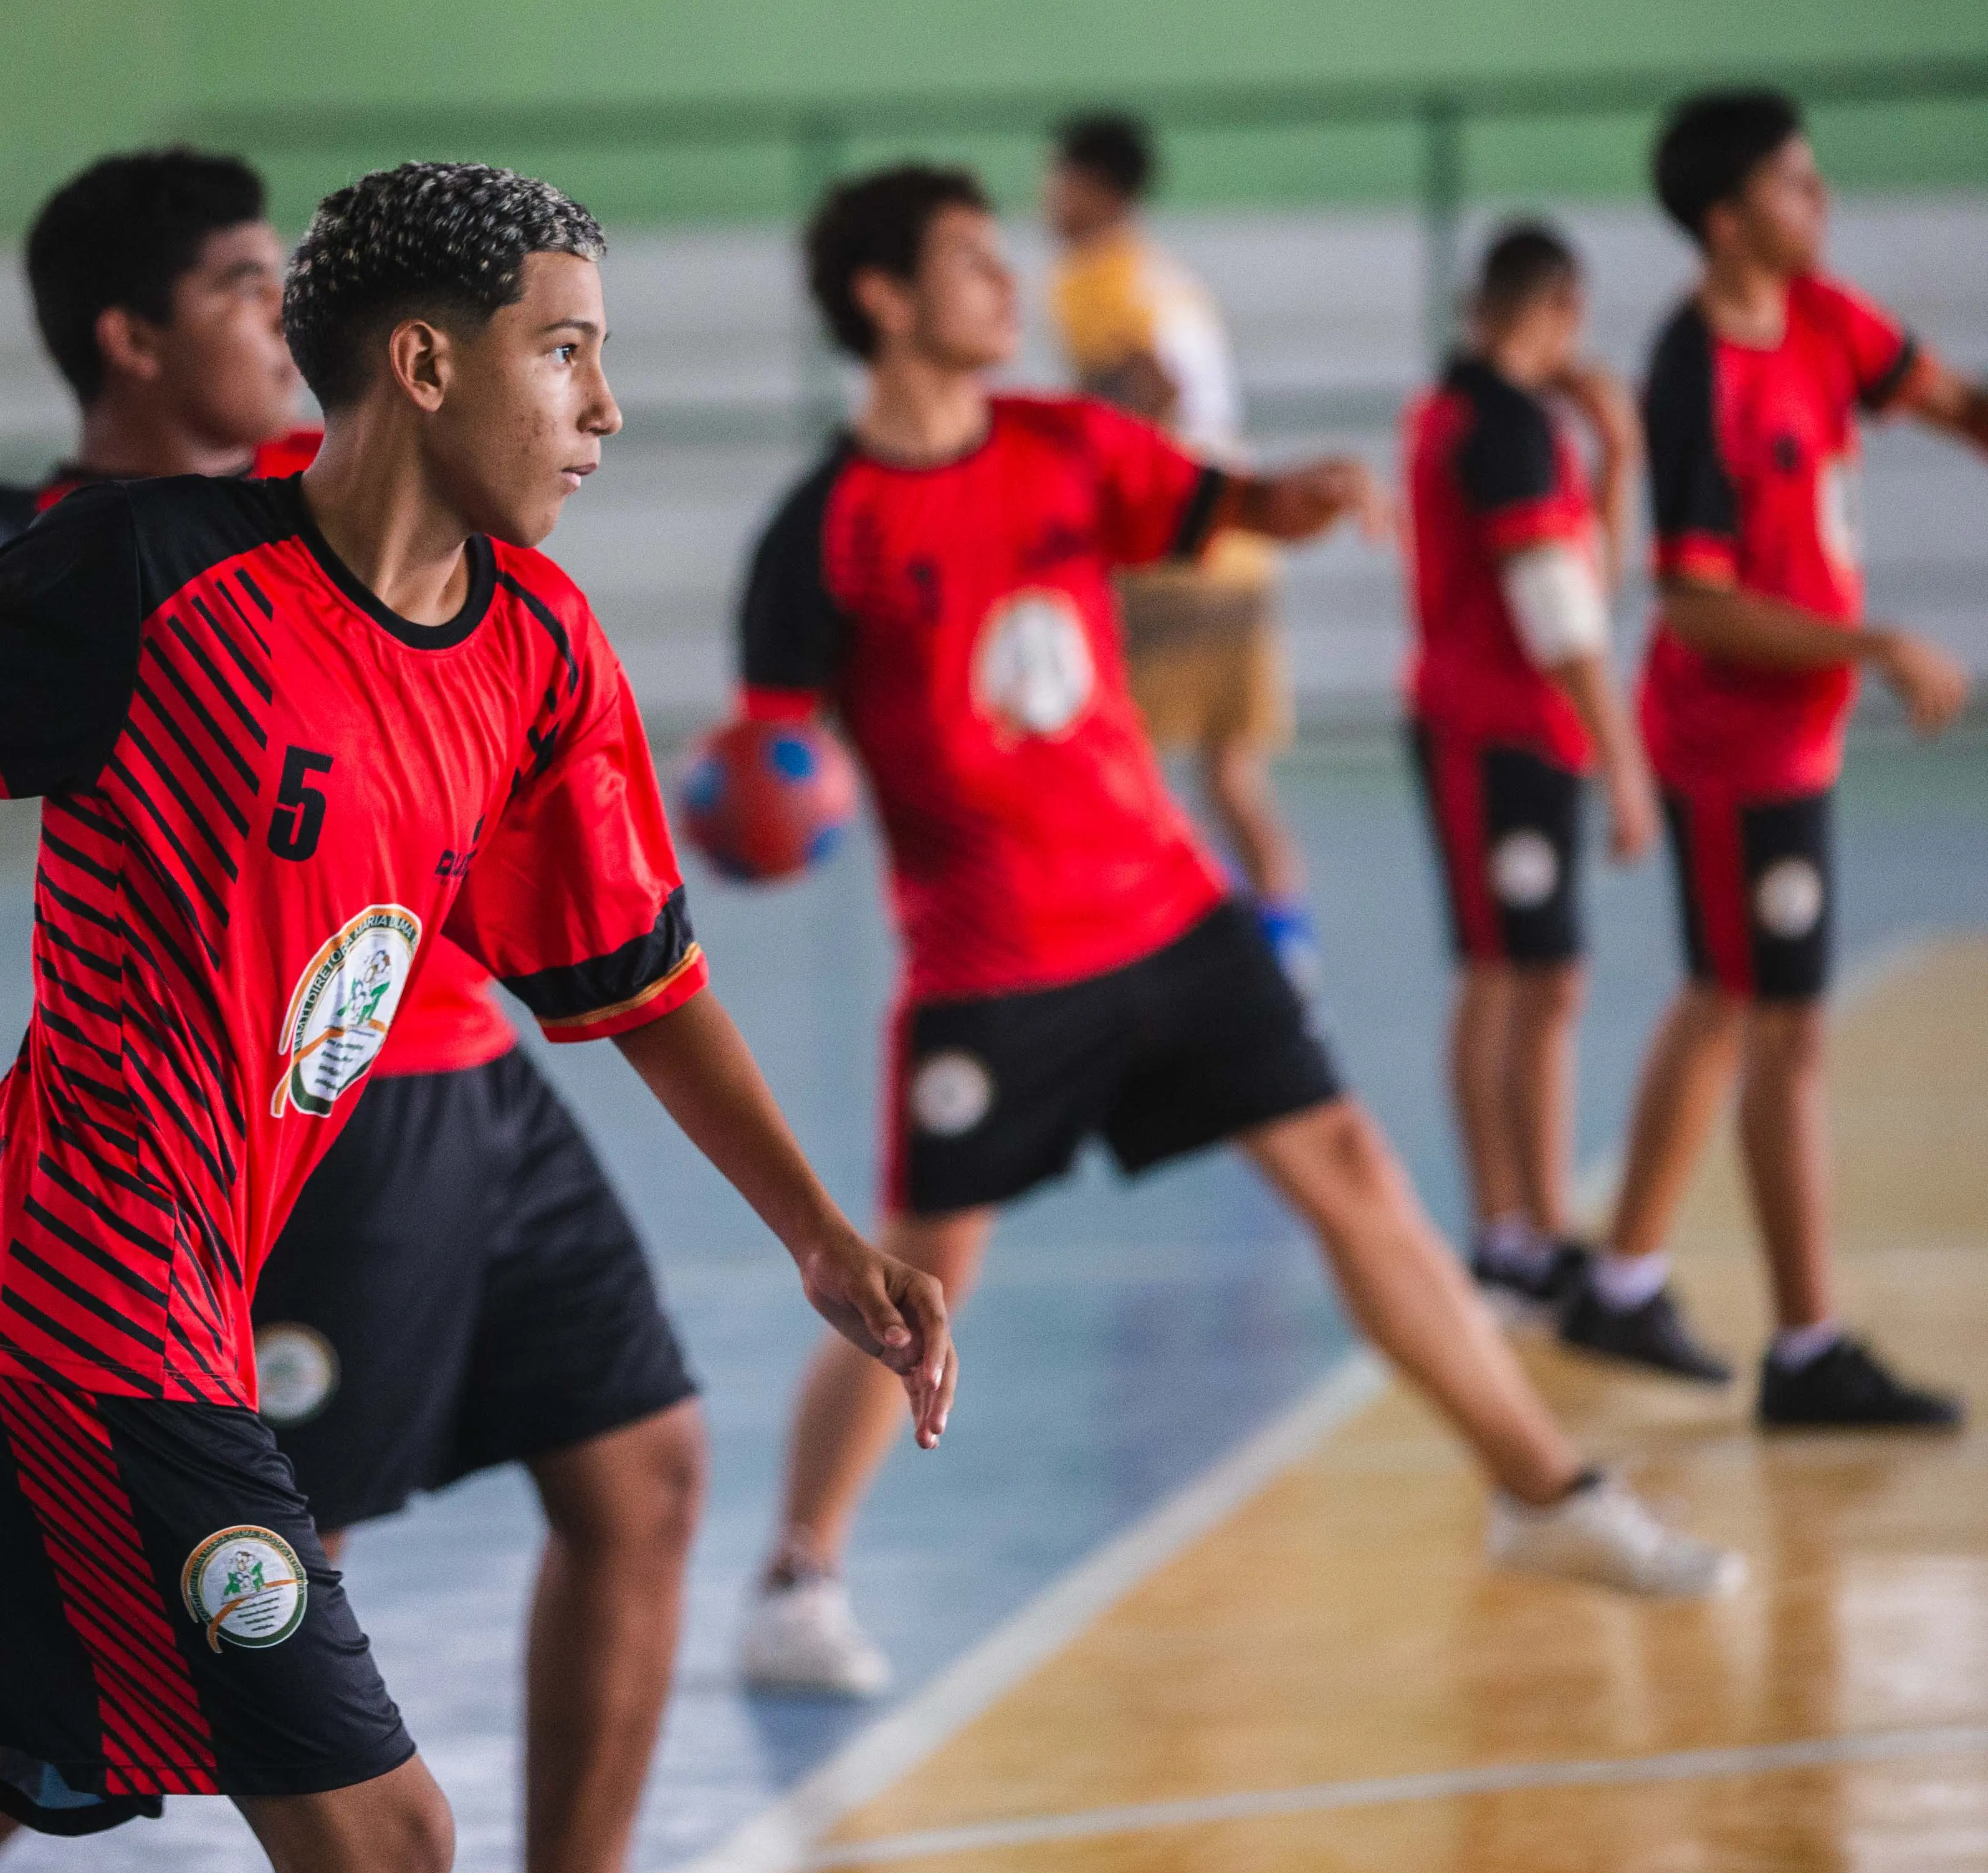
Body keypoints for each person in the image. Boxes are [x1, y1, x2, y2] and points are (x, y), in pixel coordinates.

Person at [0, 162, 956, 1873]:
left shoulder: (538, 649)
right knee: (386, 1847)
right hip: (75, 1309)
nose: (604, 408)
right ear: (424, 365)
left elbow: (639, 983)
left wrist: (819, 1236)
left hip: (121, 1312)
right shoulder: (158, 572)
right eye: (564, 352)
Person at [0, 148, 711, 1873]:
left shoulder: (463, 581)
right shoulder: (111, 548)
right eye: (234, 284)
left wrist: (823, 1241)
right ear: (134, 338)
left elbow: (633, 963)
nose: (271, 310)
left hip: (449, 1091)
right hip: (225, 1183)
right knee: (286, 1727)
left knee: (641, 1469)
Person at [732, 165, 1739, 1701]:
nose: (1006, 284)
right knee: (919, 1271)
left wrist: (1305, 495)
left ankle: (1546, 1492)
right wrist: (758, 804)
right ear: (884, 300)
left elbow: (1222, 504)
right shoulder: (823, 534)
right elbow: (770, 752)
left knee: (1353, 1172)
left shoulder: (1064, 441)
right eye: (970, 262)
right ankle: (796, 1579)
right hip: (995, 961)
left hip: (1171, 907)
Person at [1561, 90, 1986, 1424]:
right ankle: (1806, 1349)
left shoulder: (1825, 319)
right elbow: (1693, 604)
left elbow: (1956, 403)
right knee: (1784, 1025)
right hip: (1733, 748)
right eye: (1796, 185)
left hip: (1794, 740)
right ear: (1728, 222)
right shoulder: (1694, 373)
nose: (1825, 200)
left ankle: (1623, 1279)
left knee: (1727, 1001)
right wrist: (1878, 646)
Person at [1397, 222, 1658, 1320]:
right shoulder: (1495, 426)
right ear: (1560, 309)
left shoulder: (1496, 418)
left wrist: (1620, 459)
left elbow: (1588, 584)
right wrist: (1627, 760)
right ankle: (1515, 1230)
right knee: (1513, 975)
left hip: (1525, 732)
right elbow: (1561, 615)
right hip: (1490, 732)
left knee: (1537, 976)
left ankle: (1533, 1226)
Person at [1044, 112, 1319, 988]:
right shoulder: (1163, 275)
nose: (1047, 196)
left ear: (1098, 189)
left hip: (1172, 546)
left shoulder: (1093, 278)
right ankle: (1288, 950)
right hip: (1234, 535)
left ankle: (1164, 949)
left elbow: (1153, 387)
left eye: (1059, 178)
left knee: (1121, 767)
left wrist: (1104, 468)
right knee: (1232, 773)